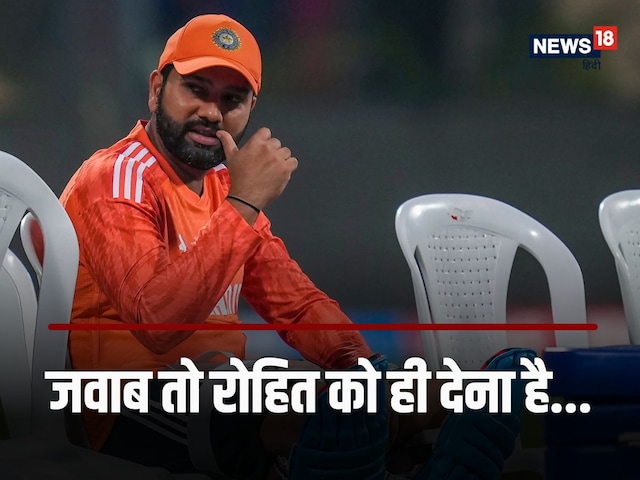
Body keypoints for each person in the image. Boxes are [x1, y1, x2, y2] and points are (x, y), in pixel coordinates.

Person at [59, 13, 525, 480]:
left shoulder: (224, 187)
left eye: (231, 99)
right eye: (196, 90)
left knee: (422, 399)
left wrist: (364, 366)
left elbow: (296, 304)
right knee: (330, 413)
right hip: (126, 402)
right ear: (157, 88)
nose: (212, 113)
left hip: (221, 387)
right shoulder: (116, 179)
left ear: (250, 108)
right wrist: (245, 202)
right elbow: (155, 323)